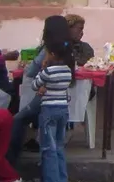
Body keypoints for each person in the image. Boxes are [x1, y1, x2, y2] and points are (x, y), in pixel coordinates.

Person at [7, 16, 71, 165]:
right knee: (56, 144)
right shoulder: (67, 47)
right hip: (61, 100)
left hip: (43, 97)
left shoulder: (49, 49)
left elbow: (32, 73)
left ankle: (12, 159)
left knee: (19, 120)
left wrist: (31, 68)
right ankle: (58, 178)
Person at [33, 24, 75, 182]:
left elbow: (36, 85)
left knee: (47, 147)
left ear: (52, 54)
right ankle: (62, 181)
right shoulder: (67, 71)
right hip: (63, 110)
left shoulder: (48, 72)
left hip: (48, 111)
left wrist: (42, 69)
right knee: (59, 146)